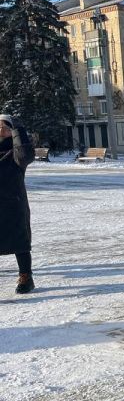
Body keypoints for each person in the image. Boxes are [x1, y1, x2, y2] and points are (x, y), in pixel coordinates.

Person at [0, 114, 36, 294]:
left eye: (6, 128)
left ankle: (26, 277)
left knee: (19, 242)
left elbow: (25, 156)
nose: (1, 131)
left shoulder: (16, 153)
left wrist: (18, 129)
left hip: (13, 204)